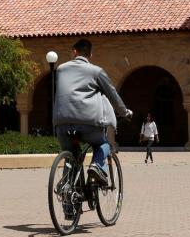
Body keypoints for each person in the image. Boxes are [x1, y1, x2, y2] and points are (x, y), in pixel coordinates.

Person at [53, 38, 131, 187]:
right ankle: (97, 167)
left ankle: (68, 192)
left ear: (74, 52)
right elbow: (112, 94)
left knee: (72, 154)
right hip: (88, 123)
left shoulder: (61, 69)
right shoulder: (96, 71)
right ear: (90, 55)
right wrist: (125, 112)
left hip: (61, 124)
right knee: (103, 144)